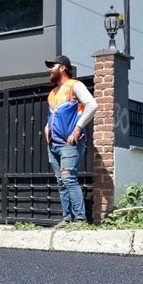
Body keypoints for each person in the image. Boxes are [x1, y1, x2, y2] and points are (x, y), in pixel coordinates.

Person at [44, 55, 98, 226]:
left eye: (52, 65)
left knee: (68, 179)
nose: (49, 69)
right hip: (53, 144)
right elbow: (53, 116)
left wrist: (77, 129)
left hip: (70, 143)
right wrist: (46, 130)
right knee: (61, 182)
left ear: (62, 68)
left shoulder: (75, 85)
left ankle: (80, 219)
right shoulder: (52, 94)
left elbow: (92, 105)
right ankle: (67, 218)